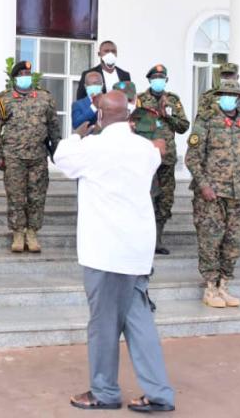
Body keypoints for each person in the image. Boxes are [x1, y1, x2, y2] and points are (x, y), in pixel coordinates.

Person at [56, 91, 175, 413]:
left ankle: (105, 392)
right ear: (129, 116)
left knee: (104, 325)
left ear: (99, 116)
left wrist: (80, 132)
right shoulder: (144, 149)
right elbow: (157, 153)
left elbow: (62, 156)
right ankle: (159, 392)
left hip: (106, 252)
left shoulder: (93, 147)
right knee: (138, 321)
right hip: (137, 251)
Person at [185, 81, 240, 309]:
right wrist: (204, 185)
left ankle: (223, 287)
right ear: (218, 96)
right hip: (211, 193)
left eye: (233, 94)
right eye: (225, 94)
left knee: (232, 242)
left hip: (236, 193)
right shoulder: (206, 121)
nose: (229, 97)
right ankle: (210, 288)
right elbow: (192, 158)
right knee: (210, 240)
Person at [0, 60, 61, 253]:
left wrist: (57, 151)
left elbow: (54, 127)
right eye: (21, 75)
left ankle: (32, 232)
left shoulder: (44, 98)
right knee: (16, 196)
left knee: (37, 196)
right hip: (13, 156)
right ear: (14, 78)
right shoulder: (3, 100)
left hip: (38, 156)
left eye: (27, 74)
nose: (25, 77)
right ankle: (18, 233)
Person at [137, 65, 190, 255]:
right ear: (150, 80)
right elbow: (134, 124)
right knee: (147, 197)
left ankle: (158, 239)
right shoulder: (141, 100)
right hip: (147, 158)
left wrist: (168, 116)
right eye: (155, 77)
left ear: (166, 80)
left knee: (165, 200)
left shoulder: (173, 100)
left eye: (162, 77)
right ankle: (145, 239)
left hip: (167, 159)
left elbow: (184, 125)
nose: (158, 80)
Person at [196, 62, 240, 131]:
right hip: (215, 135)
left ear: (237, 77)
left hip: (239, 136)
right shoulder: (208, 96)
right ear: (220, 76)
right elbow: (200, 121)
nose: (227, 77)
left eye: (230, 75)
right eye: (224, 74)